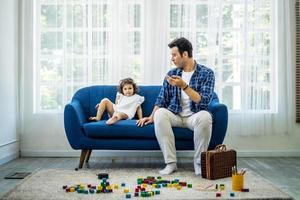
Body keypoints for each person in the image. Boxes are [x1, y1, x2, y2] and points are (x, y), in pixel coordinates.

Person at [137, 37, 215, 175]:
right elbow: (162, 99)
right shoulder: (172, 74)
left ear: (184, 54)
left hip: (194, 116)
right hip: (176, 116)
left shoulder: (207, 73)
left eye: (174, 55)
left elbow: (203, 101)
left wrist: (183, 86)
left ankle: (199, 164)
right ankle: (171, 163)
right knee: (160, 113)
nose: (172, 58)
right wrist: (151, 117)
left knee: (206, 116)